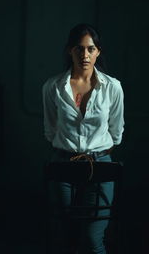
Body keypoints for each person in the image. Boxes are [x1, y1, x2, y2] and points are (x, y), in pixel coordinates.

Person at [42, 23, 124, 254]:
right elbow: (50, 129)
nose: (84, 55)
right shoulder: (53, 87)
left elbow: (116, 133)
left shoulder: (113, 88)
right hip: (63, 165)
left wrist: (94, 151)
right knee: (65, 236)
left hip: (99, 166)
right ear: (70, 50)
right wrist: (67, 151)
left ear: (98, 51)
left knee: (91, 238)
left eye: (90, 49)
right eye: (79, 48)